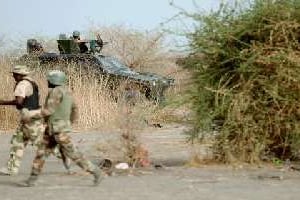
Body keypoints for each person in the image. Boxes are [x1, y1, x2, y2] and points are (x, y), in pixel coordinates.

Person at [23, 70, 102, 187]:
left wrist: (30, 114)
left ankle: (95, 171)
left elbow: (48, 110)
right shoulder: (68, 91)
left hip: (57, 130)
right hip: (55, 129)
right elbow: (75, 109)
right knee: (42, 153)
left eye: (49, 80)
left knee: (72, 153)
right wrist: (68, 122)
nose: (47, 82)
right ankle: (32, 179)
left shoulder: (55, 92)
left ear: (53, 81)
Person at [0, 65, 71, 176]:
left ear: (19, 75)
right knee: (18, 142)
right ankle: (11, 168)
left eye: (14, 74)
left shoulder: (22, 84)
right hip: (31, 117)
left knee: (42, 143)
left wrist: (3, 102)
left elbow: (19, 102)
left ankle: (69, 157)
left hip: (30, 118)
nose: (13, 76)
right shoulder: (32, 82)